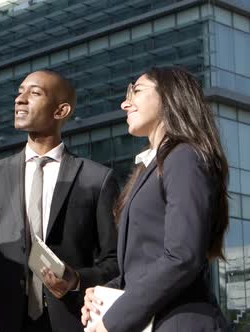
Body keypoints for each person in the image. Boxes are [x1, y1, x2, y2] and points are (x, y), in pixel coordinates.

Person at [0, 70, 120, 332]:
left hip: (71, 321)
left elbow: (114, 262)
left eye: (34, 93)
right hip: (3, 322)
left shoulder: (97, 179)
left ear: (61, 110)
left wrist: (76, 279)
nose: (20, 99)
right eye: (20, 92)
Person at [81, 67, 229, 332]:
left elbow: (182, 256)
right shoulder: (151, 167)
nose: (125, 103)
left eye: (136, 91)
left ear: (169, 97)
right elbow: (142, 267)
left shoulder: (184, 157)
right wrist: (103, 294)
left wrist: (113, 321)